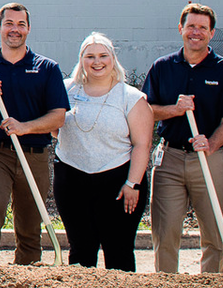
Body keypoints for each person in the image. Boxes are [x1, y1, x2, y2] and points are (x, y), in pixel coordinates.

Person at [142, 2, 223, 274]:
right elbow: (147, 111)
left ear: (212, 33)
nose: (196, 32)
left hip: (210, 159)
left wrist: (211, 143)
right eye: (191, 26)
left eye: (203, 28)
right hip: (170, 159)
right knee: (165, 233)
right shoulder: (162, 67)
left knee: (214, 232)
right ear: (181, 29)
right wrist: (174, 110)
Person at [0, 2, 68, 265]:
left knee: (30, 219)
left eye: (21, 24)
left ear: (29, 28)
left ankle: (28, 273)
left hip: (34, 154)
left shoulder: (47, 68)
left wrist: (25, 127)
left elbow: (58, 116)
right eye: (9, 24)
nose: (15, 29)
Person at [52, 33, 152, 271]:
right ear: (81, 59)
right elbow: (54, 128)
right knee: (80, 251)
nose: (97, 62)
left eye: (103, 56)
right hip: (72, 179)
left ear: (112, 59)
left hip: (118, 182)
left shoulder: (131, 98)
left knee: (118, 250)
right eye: (90, 56)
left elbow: (142, 144)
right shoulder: (64, 91)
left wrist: (133, 183)